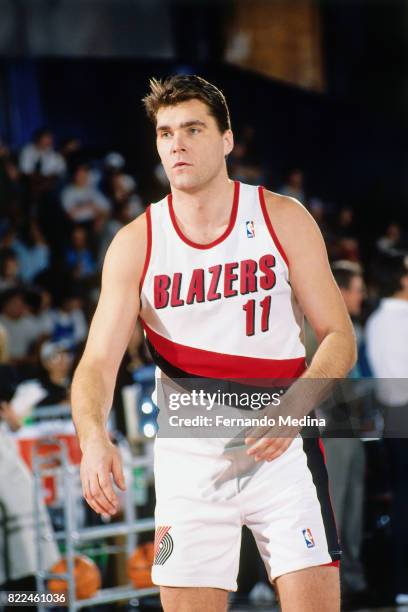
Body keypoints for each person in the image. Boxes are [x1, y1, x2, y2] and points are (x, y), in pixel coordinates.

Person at [71, 75, 356, 612]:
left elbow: (340, 336)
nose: (176, 143)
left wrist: (296, 405)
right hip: (189, 460)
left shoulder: (282, 217)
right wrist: (93, 437)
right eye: (165, 132)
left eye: (193, 129)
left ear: (227, 140)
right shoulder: (136, 243)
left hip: (283, 448)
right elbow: (96, 364)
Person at [322, 262, 367, 598]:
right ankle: (333, 580)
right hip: (330, 428)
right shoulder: (318, 325)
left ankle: (351, 575)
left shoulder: (354, 328)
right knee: (336, 505)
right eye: (356, 289)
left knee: (352, 506)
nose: (361, 296)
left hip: (351, 427)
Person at [365, 255, 408, 606]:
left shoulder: (377, 321)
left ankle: (401, 584)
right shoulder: (397, 319)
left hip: (394, 417)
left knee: (402, 500)